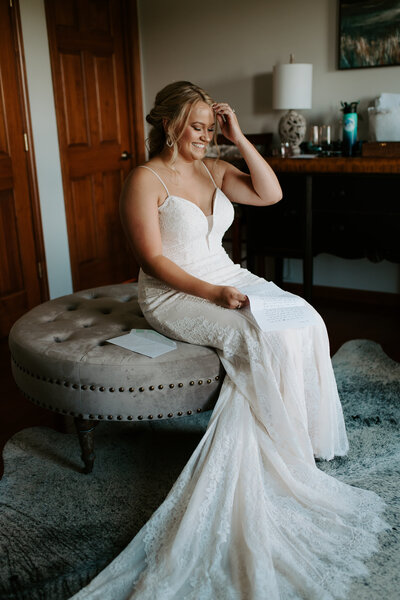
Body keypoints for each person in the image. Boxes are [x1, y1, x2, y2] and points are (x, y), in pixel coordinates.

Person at [70, 81, 386, 600]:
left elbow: (271, 192)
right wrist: (212, 293)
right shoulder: (144, 180)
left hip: (227, 276)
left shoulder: (214, 168)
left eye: (211, 127)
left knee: (305, 319)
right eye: (198, 127)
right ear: (171, 125)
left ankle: (300, 437)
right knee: (259, 337)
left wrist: (238, 137)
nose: (205, 136)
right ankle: (274, 451)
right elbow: (153, 261)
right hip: (177, 292)